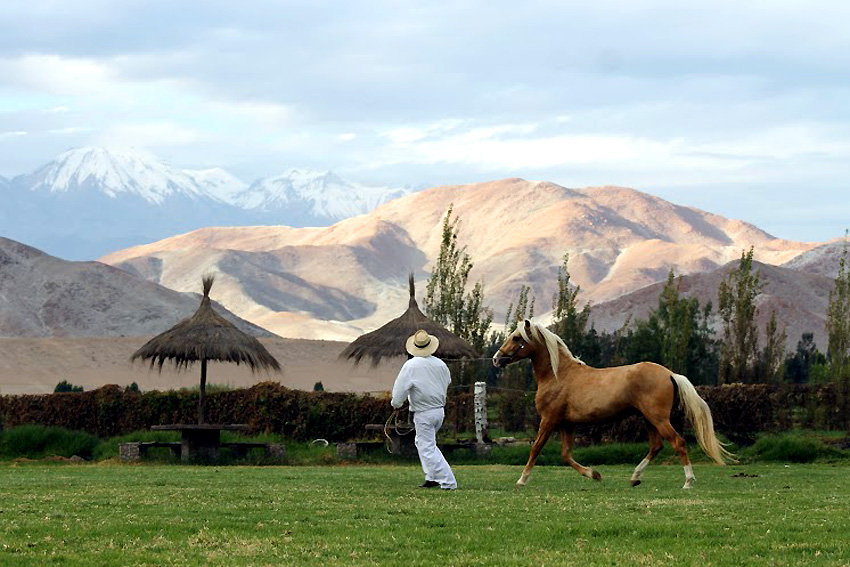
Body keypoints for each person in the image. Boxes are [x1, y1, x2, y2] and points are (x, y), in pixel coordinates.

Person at [391, 329, 458, 490]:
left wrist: (396, 404)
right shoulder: (441, 364)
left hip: (424, 412)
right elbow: (447, 381)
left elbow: (400, 389)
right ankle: (431, 477)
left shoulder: (411, 365)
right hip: (439, 411)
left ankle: (448, 481)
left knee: (427, 446)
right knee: (423, 443)